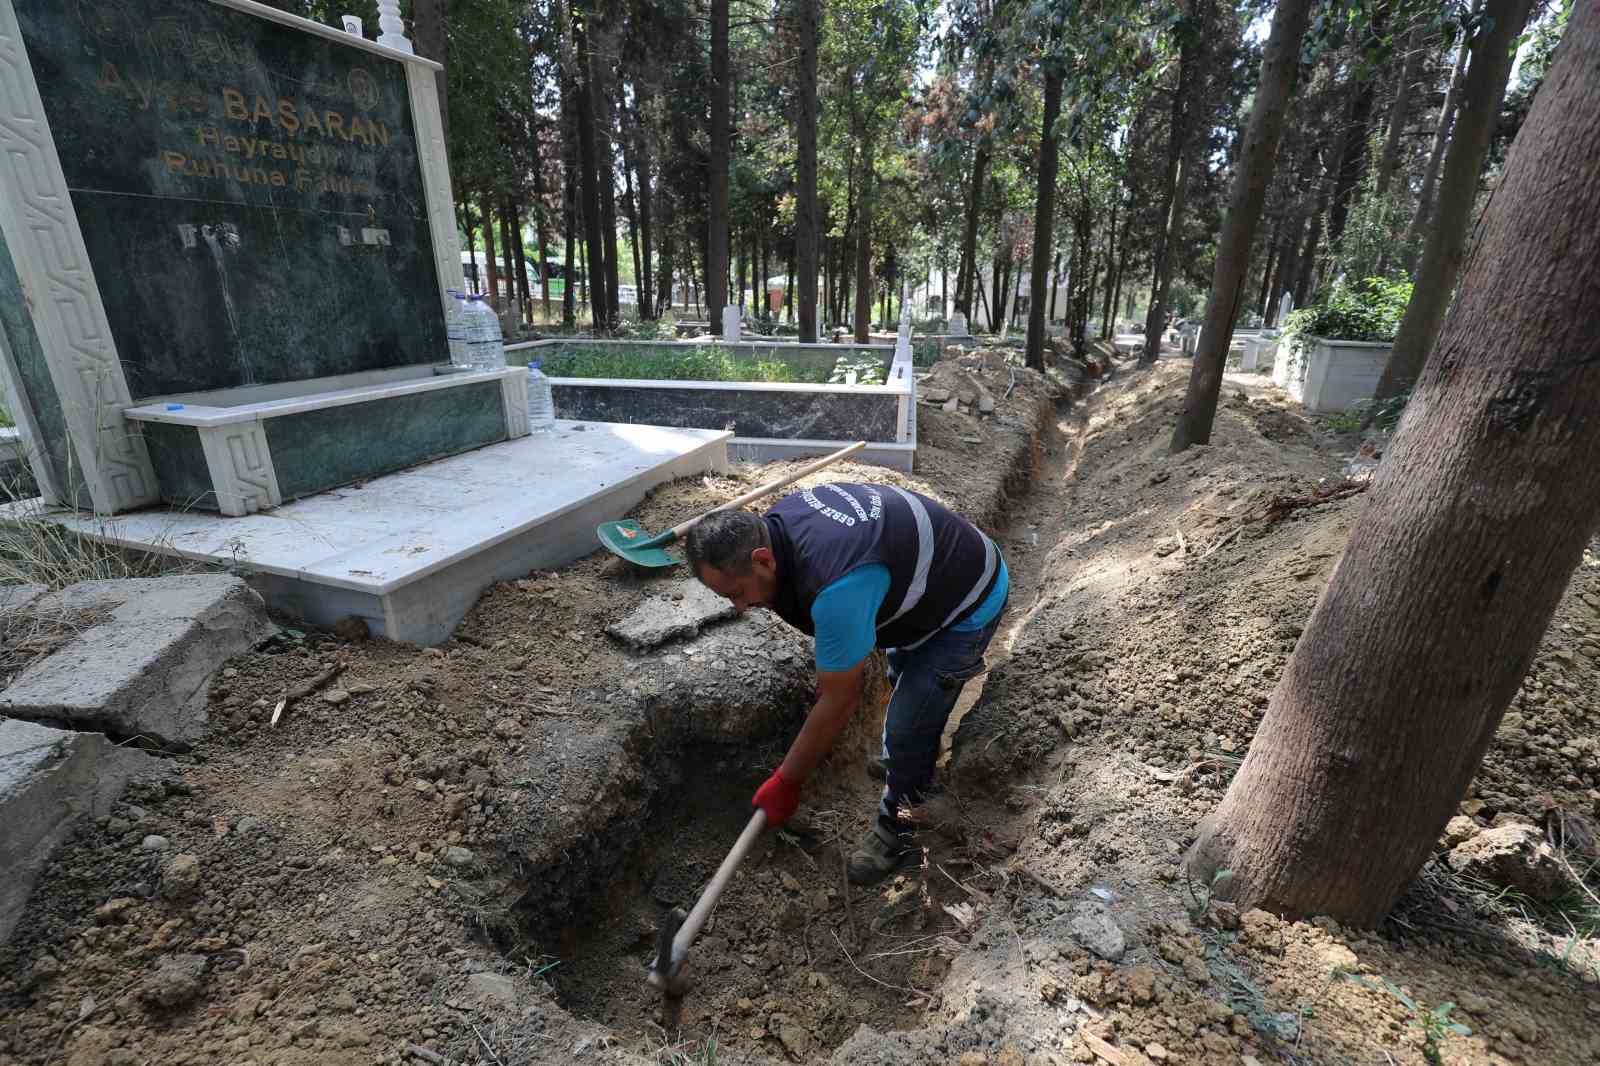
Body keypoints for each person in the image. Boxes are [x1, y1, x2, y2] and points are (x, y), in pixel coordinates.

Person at [684, 482, 1009, 885]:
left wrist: (787, 781)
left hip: (966, 603)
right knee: (902, 680)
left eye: (737, 592)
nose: (739, 606)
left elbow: (839, 699)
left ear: (763, 560)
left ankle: (900, 825)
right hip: (929, 581)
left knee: (909, 727)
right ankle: (907, 762)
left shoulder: (836, 587)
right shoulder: (781, 522)